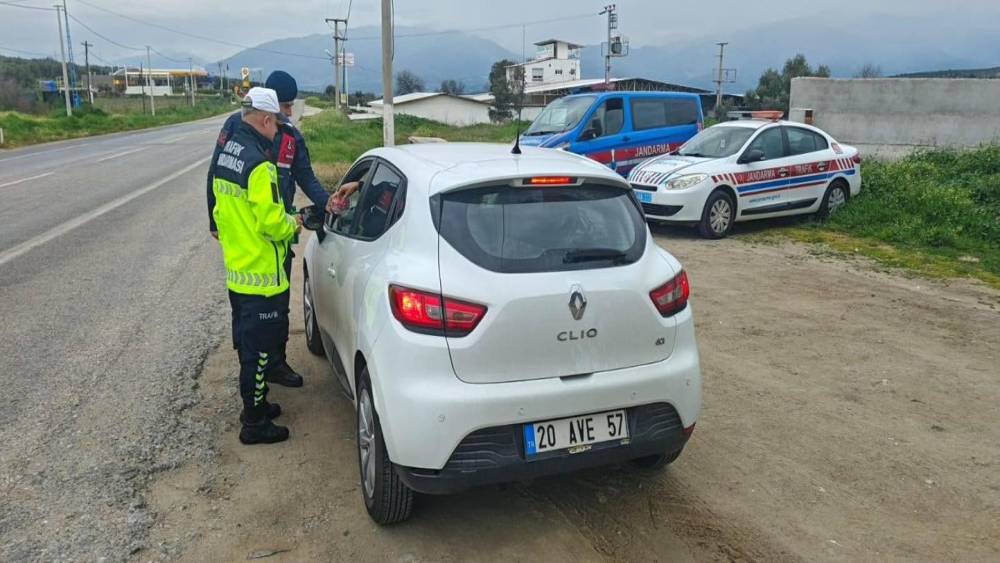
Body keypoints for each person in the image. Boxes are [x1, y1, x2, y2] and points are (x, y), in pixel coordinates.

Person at [207, 71, 329, 388]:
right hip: (250, 235)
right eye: (285, 106)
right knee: (248, 311)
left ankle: (274, 362)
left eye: (290, 106)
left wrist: (329, 204)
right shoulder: (237, 127)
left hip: (277, 236)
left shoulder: (291, 137)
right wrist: (213, 220)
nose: (289, 113)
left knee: (277, 307)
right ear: (266, 110)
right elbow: (215, 172)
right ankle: (252, 366)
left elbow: (307, 177)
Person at [210, 87, 301, 444]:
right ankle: (254, 422)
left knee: (250, 350)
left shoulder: (228, 155)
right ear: (264, 120)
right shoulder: (260, 166)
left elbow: (220, 210)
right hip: (262, 275)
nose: (278, 131)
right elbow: (270, 222)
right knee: (259, 356)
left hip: (239, 269)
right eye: (276, 124)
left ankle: (258, 407)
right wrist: (291, 223)